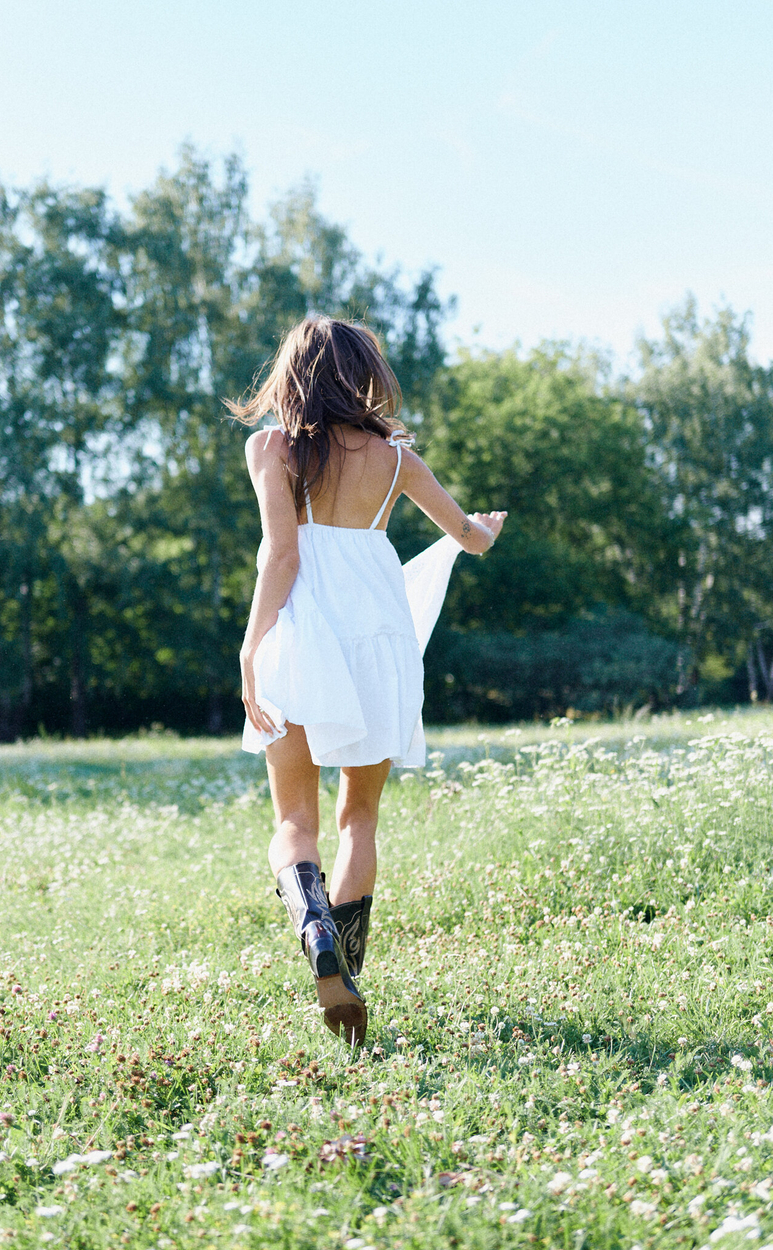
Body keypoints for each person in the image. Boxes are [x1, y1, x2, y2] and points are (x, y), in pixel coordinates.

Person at [227, 316, 506, 1045]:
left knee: (295, 822)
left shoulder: (272, 449)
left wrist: (251, 647)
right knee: (360, 818)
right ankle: (343, 975)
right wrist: (486, 529)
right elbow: (467, 540)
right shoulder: (396, 460)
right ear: (364, 375)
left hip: (303, 641)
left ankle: (313, 927)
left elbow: (280, 559)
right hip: (382, 643)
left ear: (289, 377)